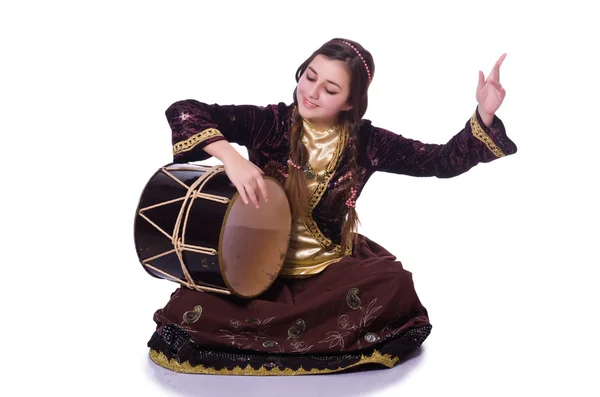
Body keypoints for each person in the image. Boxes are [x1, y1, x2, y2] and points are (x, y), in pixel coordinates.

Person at [147, 38, 516, 375]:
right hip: (255, 264)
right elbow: (184, 110)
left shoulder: (367, 143)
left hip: (327, 267)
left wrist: (483, 115)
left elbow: (439, 161)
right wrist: (231, 157)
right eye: (309, 77)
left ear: (351, 102)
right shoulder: (270, 123)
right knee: (187, 310)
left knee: (393, 284)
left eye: (330, 89)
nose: (312, 93)